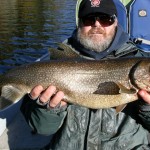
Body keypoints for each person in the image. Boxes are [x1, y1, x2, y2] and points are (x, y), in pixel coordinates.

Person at [21, 0, 150, 149]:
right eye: (89, 19)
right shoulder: (55, 65)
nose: (97, 25)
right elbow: (42, 129)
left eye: (105, 19)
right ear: (79, 23)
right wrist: (47, 109)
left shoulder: (139, 57)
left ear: (115, 22)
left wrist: (147, 108)